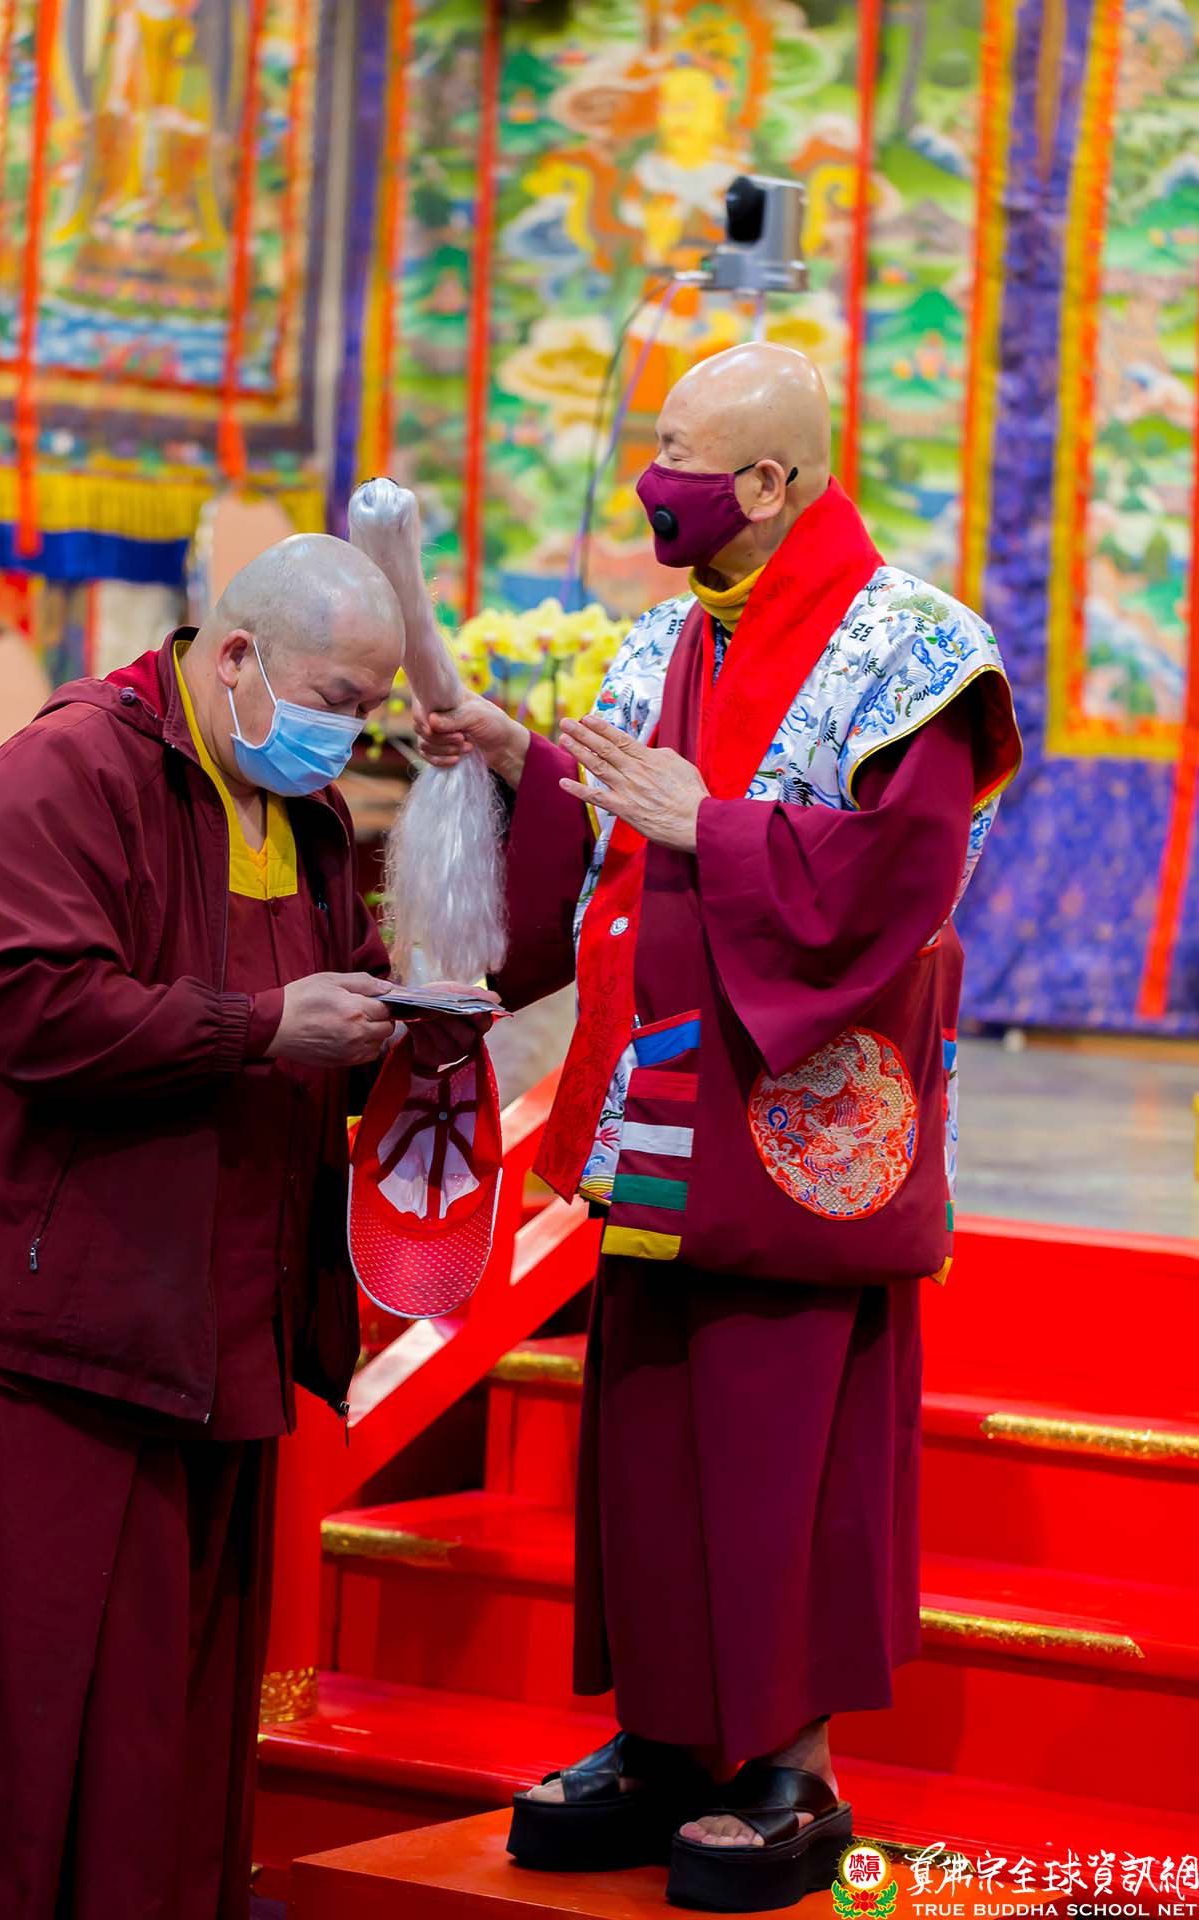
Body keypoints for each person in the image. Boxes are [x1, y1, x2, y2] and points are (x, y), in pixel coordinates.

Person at [417, 343, 1021, 1914]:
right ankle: (666, 1739)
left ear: (764, 479)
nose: (654, 481)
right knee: (650, 1432)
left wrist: (721, 829)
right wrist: (519, 762)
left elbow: (903, 878)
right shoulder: (670, 637)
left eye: (679, 452)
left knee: (780, 1444)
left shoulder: (913, 649)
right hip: (664, 1100)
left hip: (799, 1119)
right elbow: (613, 835)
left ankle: (790, 1769)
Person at [0, 534, 488, 1920]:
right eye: (334, 699)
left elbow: (333, 993)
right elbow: (32, 1008)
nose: (344, 736)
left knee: (186, 1707)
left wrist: (404, 1025)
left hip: (229, 1318)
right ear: (236, 657)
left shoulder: (297, 810)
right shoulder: (71, 770)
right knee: (72, 1706)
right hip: (75, 1324)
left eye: (367, 710)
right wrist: (262, 1027)